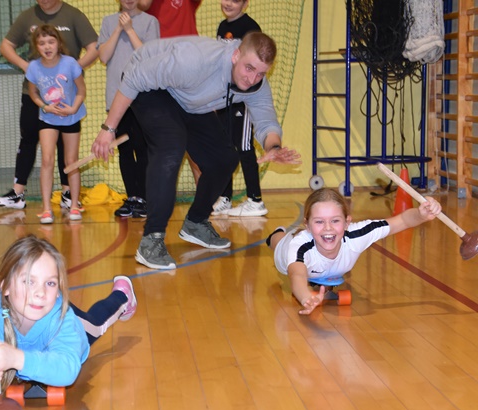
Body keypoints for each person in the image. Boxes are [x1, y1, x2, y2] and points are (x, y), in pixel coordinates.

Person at [91, 32, 301, 270]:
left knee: (224, 158)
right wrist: (108, 129)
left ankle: (196, 222)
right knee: (171, 146)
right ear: (235, 56)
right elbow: (135, 77)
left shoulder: (255, 84)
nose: (252, 78)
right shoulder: (196, 60)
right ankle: (151, 240)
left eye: (261, 73)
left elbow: (266, 120)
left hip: (187, 99)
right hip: (149, 85)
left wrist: (274, 147)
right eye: (249, 68)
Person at [0, 235, 137, 396]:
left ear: (58, 289)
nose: (40, 292)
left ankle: (122, 296)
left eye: (50, 283)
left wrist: (17, 359)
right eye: (29, 281)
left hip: (56, 313)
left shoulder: (61, 319)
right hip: (37, 315)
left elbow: (67, 370)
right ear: (5, 286)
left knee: (96, 324)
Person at [266, 188, 442, 315]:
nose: (328, 228)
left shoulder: (357, 234)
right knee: (279, 242)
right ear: (307, 225)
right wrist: (306, 298)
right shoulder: (299, 246)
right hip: (287, 252)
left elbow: (402, 220)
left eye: (335, 221)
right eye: (319, 221)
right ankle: (276, 234)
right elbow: (297, 276)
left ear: (347, 222)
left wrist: (421, 215)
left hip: (324, 265)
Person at [0, 0, 98, 211]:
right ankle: (17, 192)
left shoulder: (74, 15)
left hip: (65, 97)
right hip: (34, 95)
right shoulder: (26, 16)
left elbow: (95, 48)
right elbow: (5, 46)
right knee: (28, 138)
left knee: (65, 146)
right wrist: (26, 66)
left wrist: (72, 69)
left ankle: (67, 194)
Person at [98, 0, 160, 218]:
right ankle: (132, 197)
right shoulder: (108, 22)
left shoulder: (150, 22)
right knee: (124, 149)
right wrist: (118, 28)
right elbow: (103, 56)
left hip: (142, 98)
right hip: (117, 99)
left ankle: (144, 198)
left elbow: (150, 56)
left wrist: (130, 30)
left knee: (142, 148)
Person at [212, 0, 268, 218]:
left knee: (244, 147)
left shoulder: (250, 28)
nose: (228, 3)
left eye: (235, 0)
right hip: (224, 98)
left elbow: (255, 68)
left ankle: (255, 200)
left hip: (243, 99)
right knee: (224, 147)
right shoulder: (222, 27)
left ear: (245, 4)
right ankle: (225, 197)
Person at [138, 0, 203, 185]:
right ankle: (163, 196)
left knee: (196, 139)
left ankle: (206, 196)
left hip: (189, 69)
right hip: (162, 70)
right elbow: (142, 4)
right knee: (167, 143)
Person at [26, 25, 86, 224]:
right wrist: (44, 106)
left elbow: (81, 90)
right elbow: (33, 92)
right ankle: (46, 209)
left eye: (51, 42)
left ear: (59, 43)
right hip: (48, 118)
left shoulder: (70, 63)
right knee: (47, 160)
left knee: (71, 161)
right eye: (42, 43)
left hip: (70, 117)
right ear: (36, 46)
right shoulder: (34, 67)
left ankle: (74, 205)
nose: (47, 47)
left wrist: (73, 108)